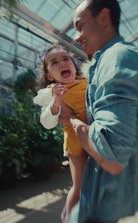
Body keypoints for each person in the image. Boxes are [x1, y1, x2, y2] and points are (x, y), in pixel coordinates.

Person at [59, 0, 138, 222]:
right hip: (104, 198)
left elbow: (111, 155)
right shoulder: (109, 60)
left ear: (103, 18)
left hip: (104, 201)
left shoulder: (117, 59)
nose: (76, 36)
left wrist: (71, 120)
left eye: (80, 26)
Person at [32, 45, 88, 223]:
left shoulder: (87, 81)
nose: (62, 63)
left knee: (98, 183)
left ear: (73, 64)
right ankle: (68, 218)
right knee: (79, 187)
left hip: (95, 136)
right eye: (54, 62)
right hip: (76, 143)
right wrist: (56, 102)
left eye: (66, 59)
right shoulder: (51, 93)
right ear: (49, 76)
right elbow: (47, 122)